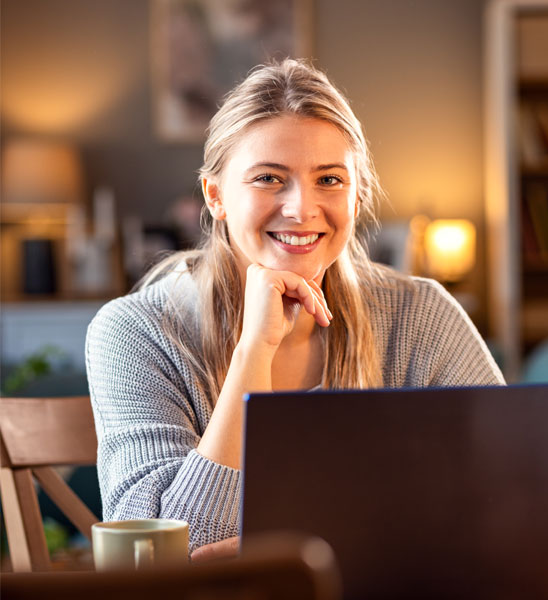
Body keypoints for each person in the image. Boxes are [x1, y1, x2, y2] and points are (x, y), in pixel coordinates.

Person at [86, 58, 504, 561]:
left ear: (358, 195)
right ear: (215, 195)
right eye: (268, 178)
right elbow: (162, 561)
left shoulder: (423, 316)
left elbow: (514, 501)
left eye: (329, 180)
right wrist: (253, 352)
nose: (301, 209)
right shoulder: (136, 332)